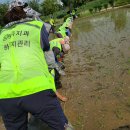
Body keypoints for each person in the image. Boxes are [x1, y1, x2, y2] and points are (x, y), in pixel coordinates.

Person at [0, 1, 73, 130]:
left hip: (6, 95)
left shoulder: (2, 34)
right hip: (37, 90)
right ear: (26, 12)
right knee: (62, 127)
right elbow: (48, 56)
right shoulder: (37, 27)